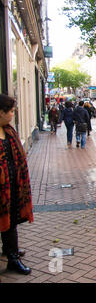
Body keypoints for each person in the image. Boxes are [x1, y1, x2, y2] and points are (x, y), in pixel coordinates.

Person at [0, 94, 33, 275]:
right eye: (11, 111)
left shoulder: (9, 131)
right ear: (1, 112)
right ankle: (12, 256)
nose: (13, 114)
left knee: (10, 220)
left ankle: (11, 252)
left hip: (11, 186)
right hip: (2, 188)